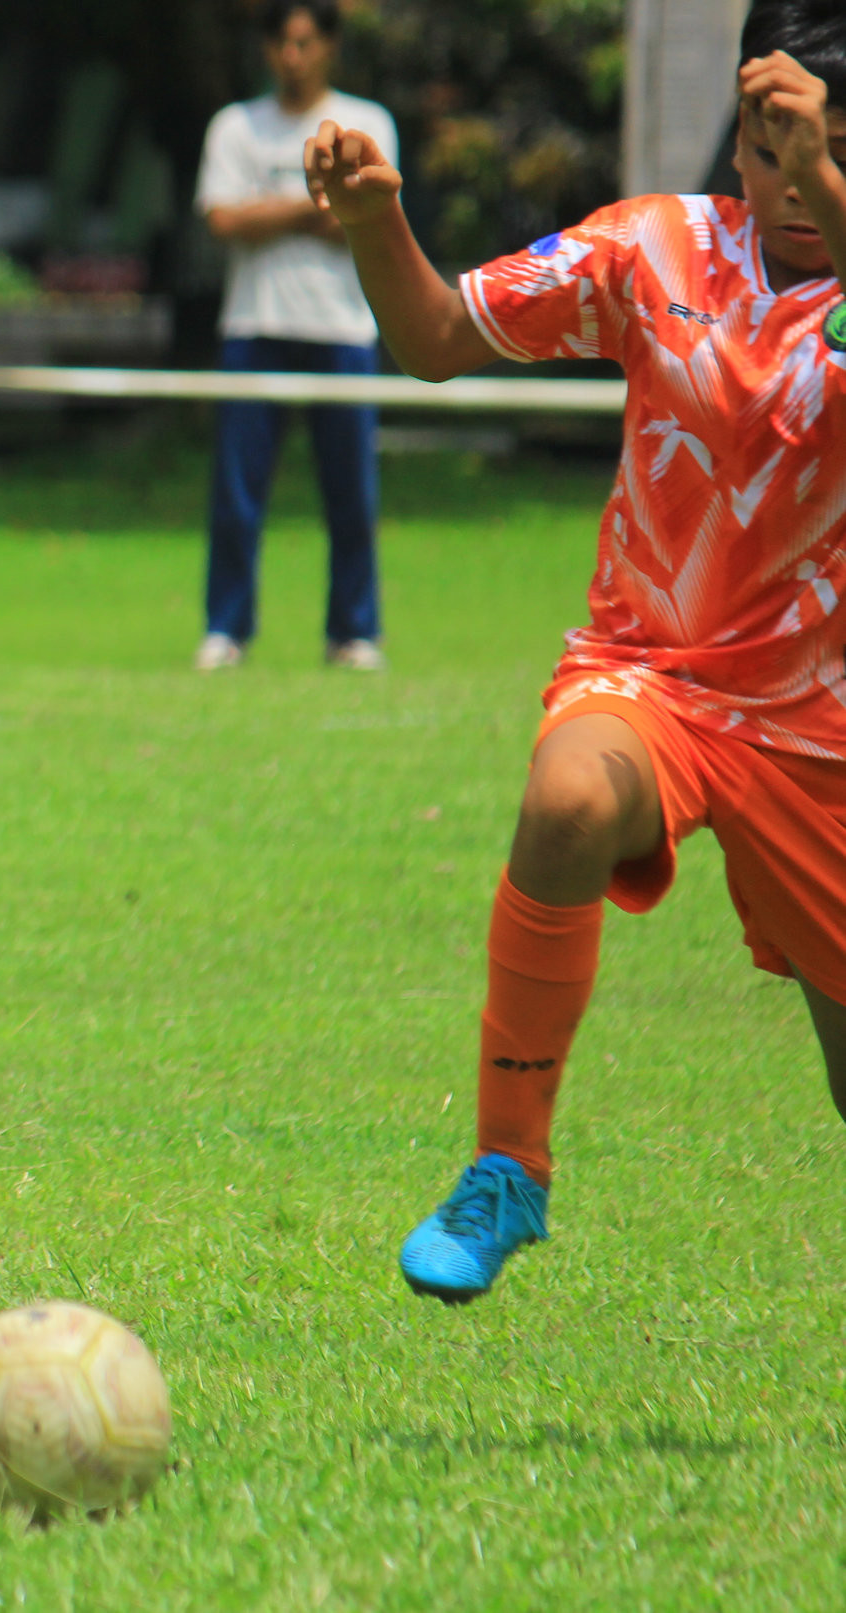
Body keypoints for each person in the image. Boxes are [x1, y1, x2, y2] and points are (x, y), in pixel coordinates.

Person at [307, 1, 846, 1302]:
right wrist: (376, 223)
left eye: (811, 153)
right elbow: (433, 338)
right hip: (647, 676)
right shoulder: (654, 247)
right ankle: (507, 1168)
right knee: (561, 800)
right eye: (759, 148)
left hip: (819, 728)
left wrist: (826, 166)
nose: (780, 181)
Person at [194, 0, 396, 673]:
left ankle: (353, 632)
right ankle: (226, 630)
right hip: (254, 328)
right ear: (265, 48)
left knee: (351, 495)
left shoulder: (366, 123)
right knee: (236, 495)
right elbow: (222, 219)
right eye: (282, 41)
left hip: (340, 330)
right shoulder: (234, 127)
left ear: (328, 47)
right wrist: (314, 203)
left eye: (305, 42)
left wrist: (279, 213)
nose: (292, 55)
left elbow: (369, 218)